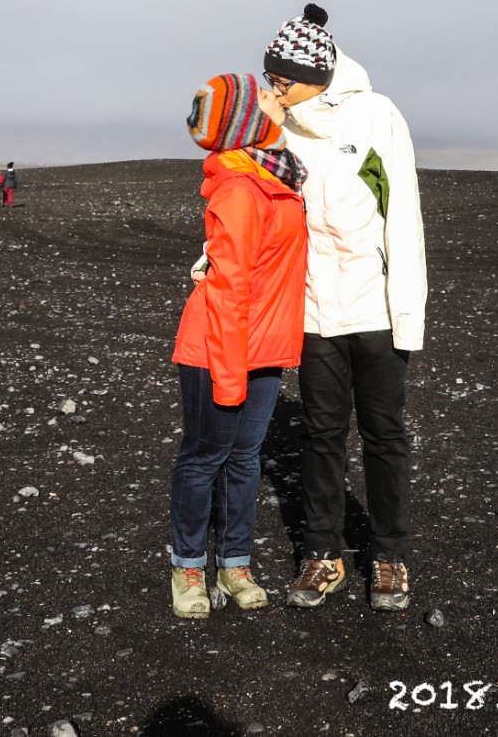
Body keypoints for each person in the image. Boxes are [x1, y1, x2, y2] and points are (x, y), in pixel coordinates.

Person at [266, 4, 427, 613]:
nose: (276, 91)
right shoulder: (276, 129)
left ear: (317, 74)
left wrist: (407, 313)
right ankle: (323, 553)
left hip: (376, 310)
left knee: (385, 433)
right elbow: (261, 204)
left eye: (284, 80)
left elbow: (402, 218)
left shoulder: (377, 115)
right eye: (272, 81)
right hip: (312, 312)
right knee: (321, 434)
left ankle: (389, 557)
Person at [168, 72, 308, 619]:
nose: (281, 100)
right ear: (251, 118)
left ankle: (235, 563)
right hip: (218, 349)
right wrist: (229, 377)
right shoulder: (240, 189)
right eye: (270, 97)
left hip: (264, 346)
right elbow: (228, 293)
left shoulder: (278, 177)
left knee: (246, 459)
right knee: (205, 458)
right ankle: (187, 566)